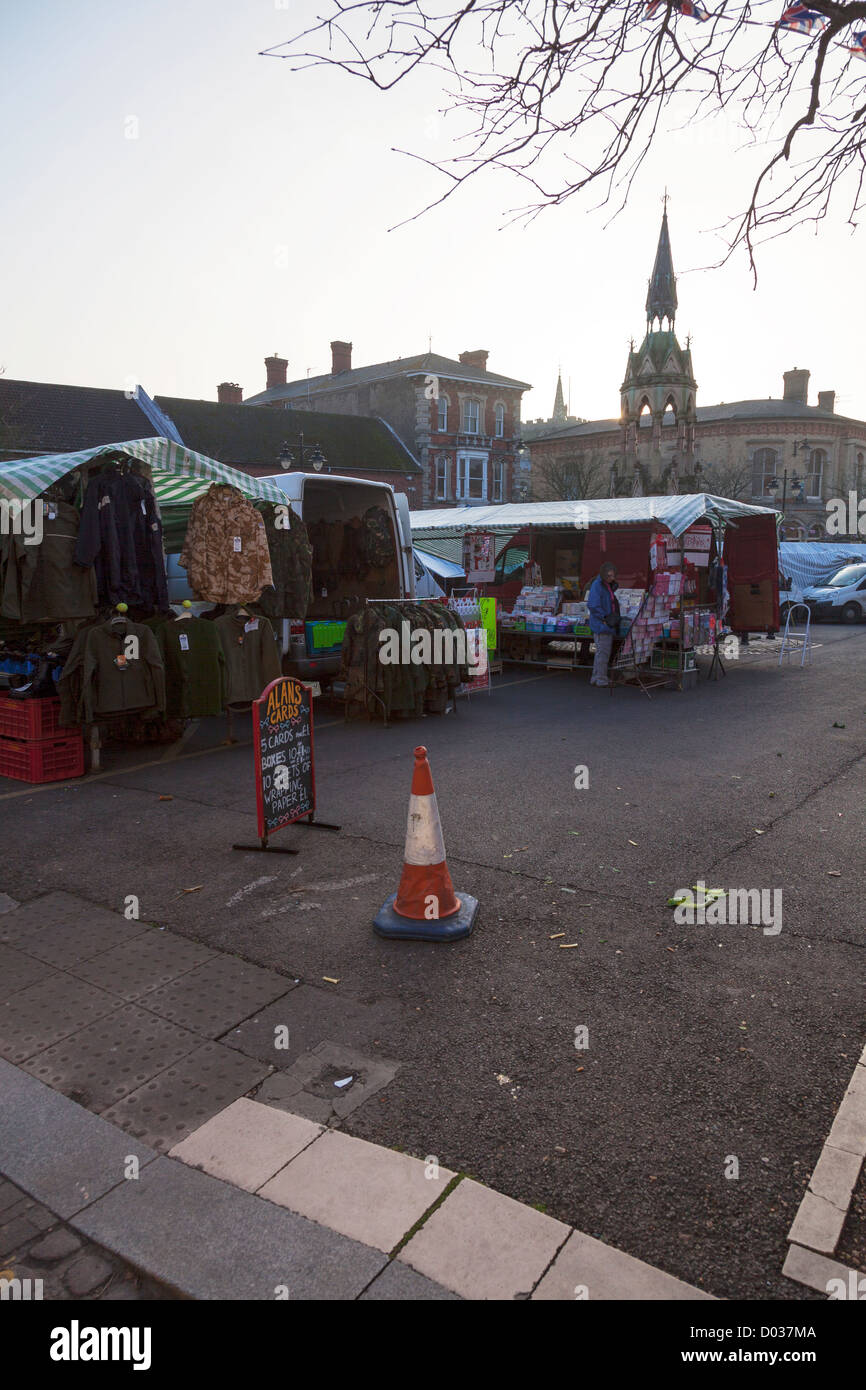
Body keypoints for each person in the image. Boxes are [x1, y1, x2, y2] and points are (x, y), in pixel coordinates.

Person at [587, 562, 620, 686]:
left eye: (613, 575)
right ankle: (601, 679)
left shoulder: (605, 585)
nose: (612, 578)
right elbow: (593, 605)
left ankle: (596, 677)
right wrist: (605, 618)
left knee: (601, 652)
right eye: (610, 576)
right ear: (604, 575)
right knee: (603, 653)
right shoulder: (598, 585)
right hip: (602, 624)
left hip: (604, 623)